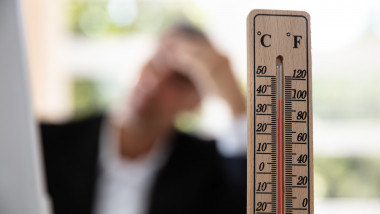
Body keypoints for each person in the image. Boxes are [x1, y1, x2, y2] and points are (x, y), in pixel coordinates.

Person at [40, 23, 247, 214]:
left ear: (195, 103)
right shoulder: (45, 143)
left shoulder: (208, 171)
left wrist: (234, 101)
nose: (154, 83)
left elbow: (254, 197)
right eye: (154, 63)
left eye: (178, 80)